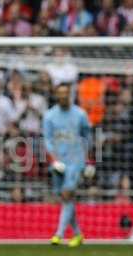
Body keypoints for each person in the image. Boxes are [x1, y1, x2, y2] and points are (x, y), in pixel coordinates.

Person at [43, 83, 93, 247]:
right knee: (65, 198)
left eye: (66, 93)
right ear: (56, 95)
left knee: (67, 194)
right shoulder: (49, 116)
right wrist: (53, 160)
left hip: (75, 161)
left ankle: (59, 234)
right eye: (60, 93)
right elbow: (48, 140)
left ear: (70, 94)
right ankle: (78, 234)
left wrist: (89, 161)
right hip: (58, 161)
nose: (63, 96)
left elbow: (88, 138)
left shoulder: (80, 114)